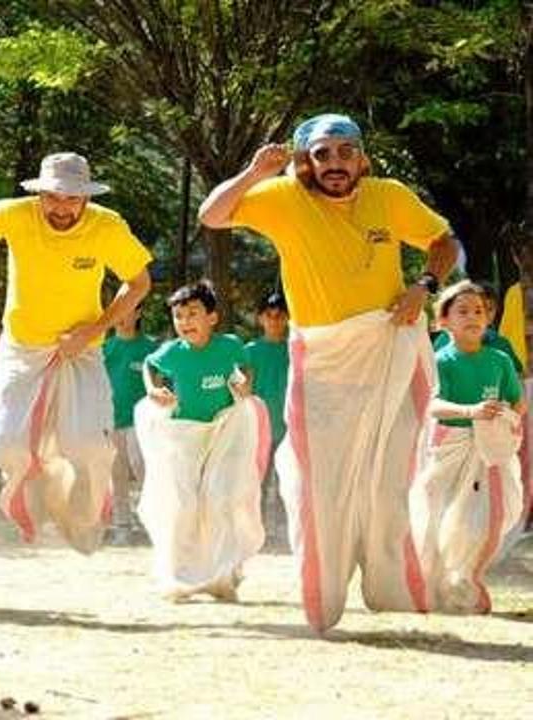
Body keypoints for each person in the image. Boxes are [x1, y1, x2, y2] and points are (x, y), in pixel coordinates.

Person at [199, 112, 459, 632]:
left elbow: (444, 240)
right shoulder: (282, 196)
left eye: (344, 152)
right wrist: (255, 172)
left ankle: (392, 587)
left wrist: (424, 287)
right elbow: (213, 215)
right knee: (318, 480)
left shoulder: (389, 195)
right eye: (322, 154)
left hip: (386, 345)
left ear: (362, 157)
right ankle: (324, 595)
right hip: (321, 357)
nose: (335, 164)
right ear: (306, 160)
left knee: (389, 474)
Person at [0, 152, 152, 553]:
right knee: (7, 443)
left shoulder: (108, 227)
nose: (61, 207)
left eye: (72, 198)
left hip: (83, 351)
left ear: (87, 199)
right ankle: (34, 507)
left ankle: (83, 521)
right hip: (22, 346)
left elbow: (139, 282)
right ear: (40, 193)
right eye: (53, 197)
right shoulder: (13, 213)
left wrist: (92, 331)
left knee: (88, 446)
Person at [134, 281, 270, 602]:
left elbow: (245, 366)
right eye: (179, 316)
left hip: (225, 428)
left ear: (212, 317)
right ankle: (179, 576)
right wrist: (153, 390)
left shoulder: (230, 345)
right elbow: (150, 366)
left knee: (220, 497)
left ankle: (223, 575)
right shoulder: (172, 352)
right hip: (183, 434)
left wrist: (246, 384)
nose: (184, 322)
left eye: (193, 314)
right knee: (182, 504)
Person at [410, 281, 524, 613]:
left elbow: (518, 402)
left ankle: (467, 579)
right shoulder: (440, 360)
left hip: (489, 453)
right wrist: (470, 413)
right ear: (442, 321)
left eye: (479, 310)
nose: (473, 316)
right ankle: (428, 583)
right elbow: (432, 405)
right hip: (447, 450)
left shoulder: (500, 359)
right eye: (462, 311)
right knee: (435, 516)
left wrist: (504, 419)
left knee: (485, 519)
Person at [101, 304, 158, 543]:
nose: (123, 318)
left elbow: (162, 380)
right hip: (110, 420)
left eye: (128, 312)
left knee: (141, 464)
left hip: (141, 422)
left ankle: (156, 521)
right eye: (118, 313)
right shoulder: (105, 349)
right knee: (117, 472)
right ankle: (122, 525)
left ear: (138, 314)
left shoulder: (151, 349)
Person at [244, 291, 290, 539]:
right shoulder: (249, 351)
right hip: (258, 429)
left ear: (287, 319)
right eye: (269, 315)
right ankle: (256, 530)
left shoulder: (294, 350)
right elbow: (243, 390)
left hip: (287, 429)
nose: (274, 320)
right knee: (256, 482)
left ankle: (284, 529)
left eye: (280, 315)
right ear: (260, 319)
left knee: (286, 481)